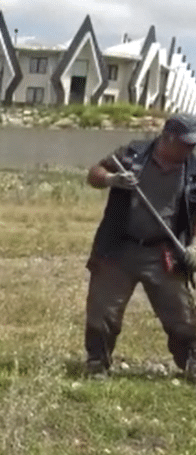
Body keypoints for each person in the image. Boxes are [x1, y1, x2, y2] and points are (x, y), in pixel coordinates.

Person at [83, 113, 196, 378]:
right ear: (167, 138)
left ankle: (192, 361)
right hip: (119, 248)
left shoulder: (193, 168)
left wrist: (191, 248)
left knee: (181, 312)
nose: (190, 149)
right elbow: (94, 173)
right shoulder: (132, 155)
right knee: (104, 310)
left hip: (164, 251)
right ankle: (97, 363)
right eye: (186, 144)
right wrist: (112, 180)